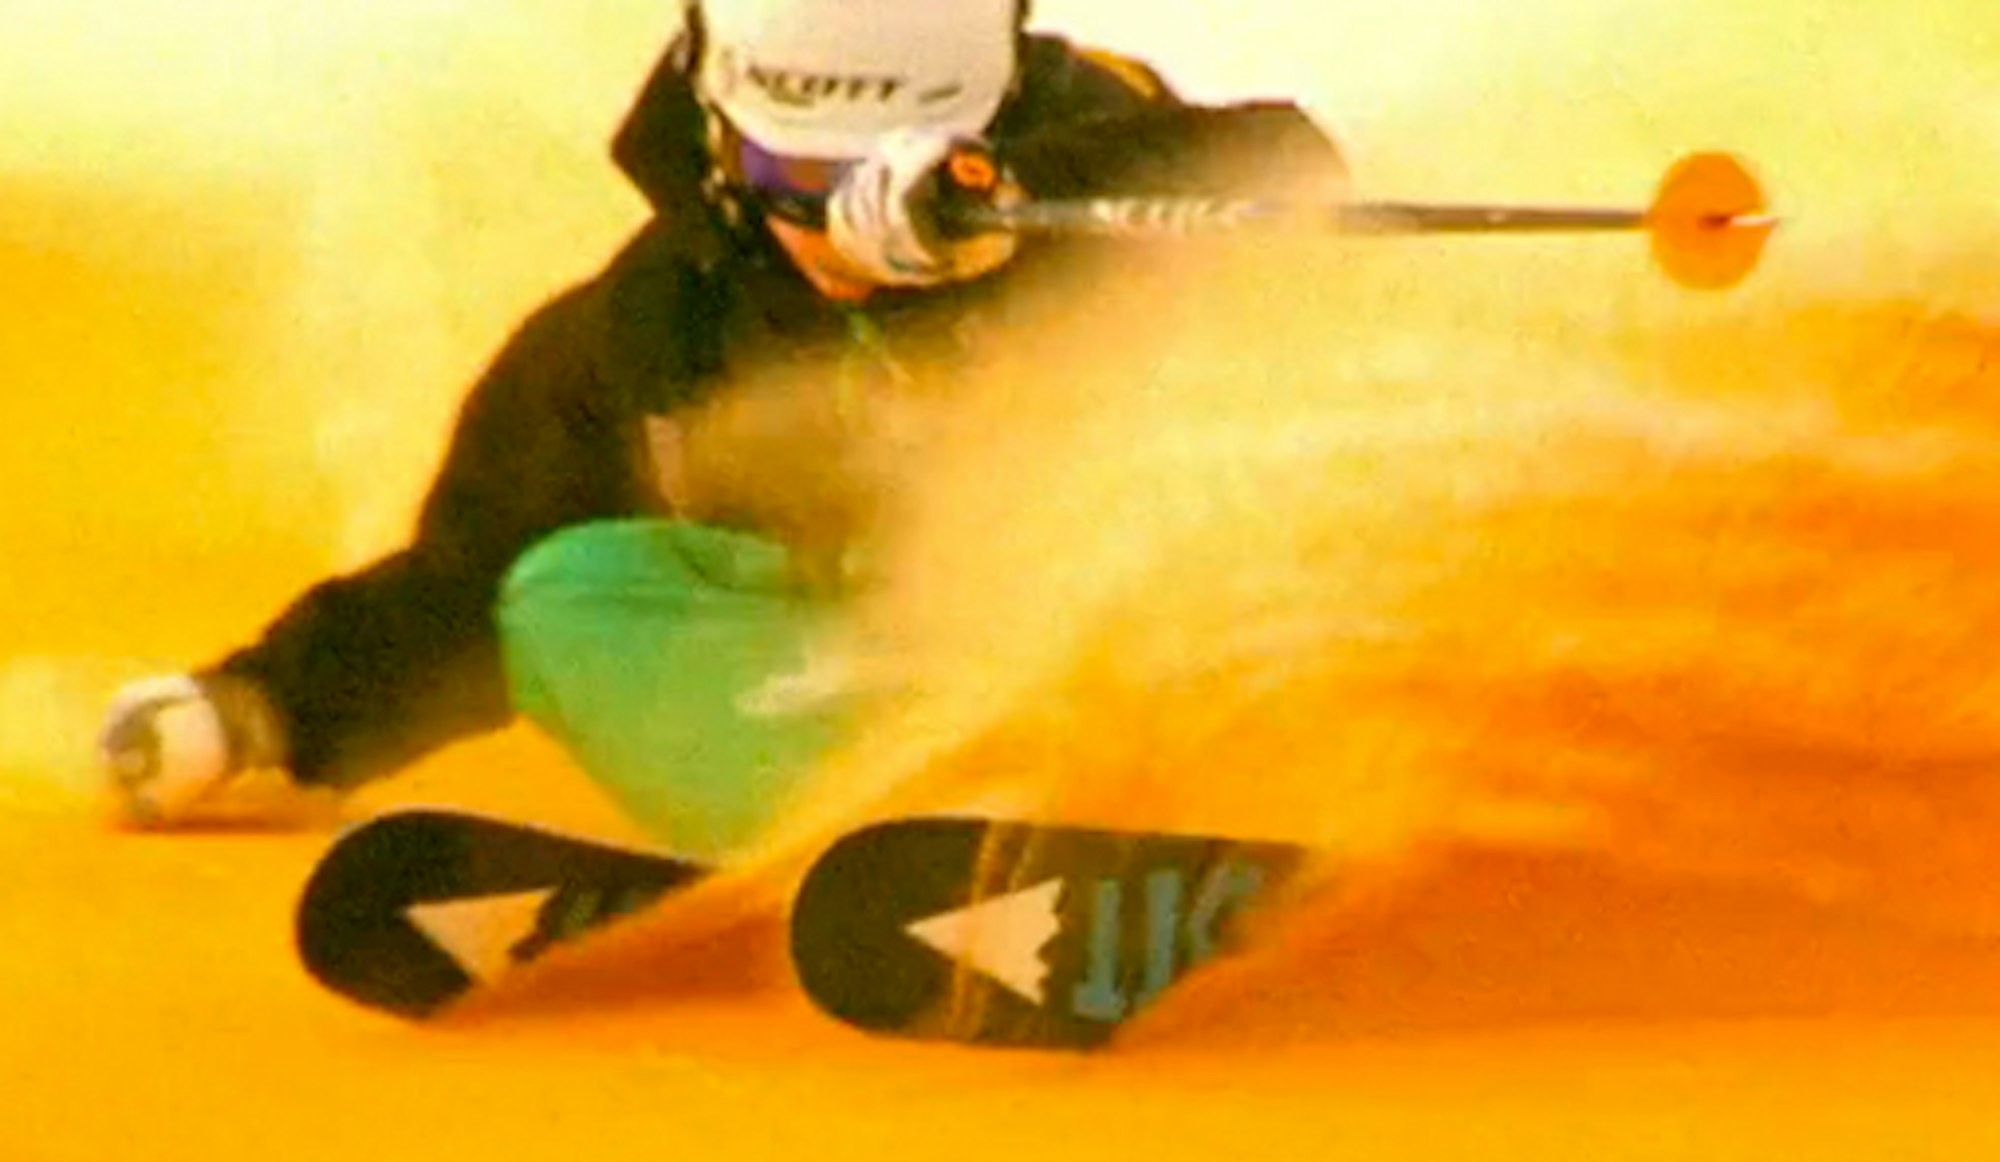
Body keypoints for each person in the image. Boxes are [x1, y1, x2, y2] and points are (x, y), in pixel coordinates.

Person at [100, 0, 1346, 859]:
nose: (821, 229)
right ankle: (865, 826)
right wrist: (264, 707)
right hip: (875, 674)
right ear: (718, 137)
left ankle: (1121, 802)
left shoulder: (1082, 148)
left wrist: (1013, 207)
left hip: (1131, 628)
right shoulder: (663, 321)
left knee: (1246, 479)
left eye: (861, 185)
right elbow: (475, 572)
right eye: (785, 179)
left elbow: (1283, 165)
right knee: (565, 594)